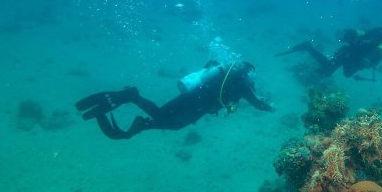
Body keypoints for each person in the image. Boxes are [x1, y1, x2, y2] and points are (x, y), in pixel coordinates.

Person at [76, 60, 273, 139]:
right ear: (249, 73)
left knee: (162, 115)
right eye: (252, 75)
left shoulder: (223, 72)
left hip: (190, 95)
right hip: (199, 106)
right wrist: (271, 107)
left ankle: (135, 104)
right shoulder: (243, 84)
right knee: (172, 123)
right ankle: (136, 108)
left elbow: (207, 68)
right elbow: (258, 103)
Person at [276, 26, 382, 81]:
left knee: (339, 72)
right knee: (327, 71)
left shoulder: (379, 31)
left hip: (348, 52)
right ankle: (308, 48)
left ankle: (311, 69)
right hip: (351, 57)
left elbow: (362, 33)